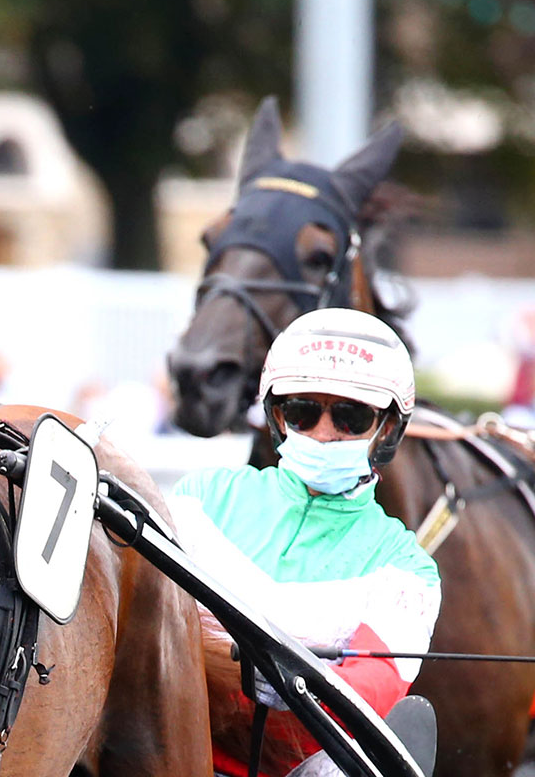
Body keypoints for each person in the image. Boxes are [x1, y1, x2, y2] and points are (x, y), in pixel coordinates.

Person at [169, 307, 441, 777]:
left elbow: (357, 701)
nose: (324, 432)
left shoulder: (408, 569)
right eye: (303, 411)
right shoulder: (203, 494)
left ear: (388, 428)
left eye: (352, 416)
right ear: (277, 415)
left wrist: (217, 660)